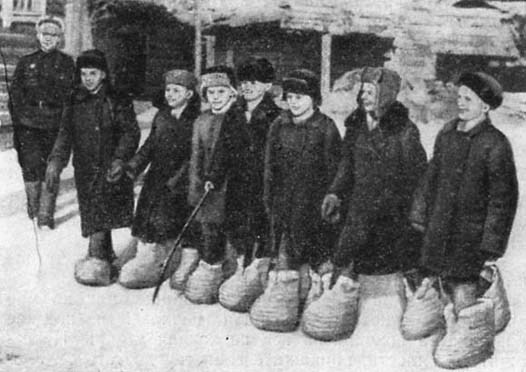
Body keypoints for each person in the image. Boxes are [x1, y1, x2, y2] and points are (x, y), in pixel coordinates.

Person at [304, 67, 427, 341]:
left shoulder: (405, 131)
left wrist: (416, 213)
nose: (364, 96)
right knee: (345, 252)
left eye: (370, 92)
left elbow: (419, 175)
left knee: (406, 263)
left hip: (393, 211)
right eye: (363, 91)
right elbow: (346, 165)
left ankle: (420, 304)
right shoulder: (356, 125)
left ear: (386, 95)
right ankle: (337, 303)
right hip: (359, 205)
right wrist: (335, 192)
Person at [409, 72, 518, 369]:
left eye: (468, 99)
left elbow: (503, 200)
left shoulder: (495, 144)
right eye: (459, 97)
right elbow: (432, 175)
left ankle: (472, 333)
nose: (461, 102)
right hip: (440, 224)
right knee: (437, 273)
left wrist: (491, 245)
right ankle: (449, 315)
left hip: (471, 232)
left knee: (462, 283)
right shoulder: (447, 133)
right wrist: (419, 209)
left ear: (485, 106)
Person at [249, 69, 341, 332]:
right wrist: (269, 198)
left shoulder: (325, 128)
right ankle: (286, 298)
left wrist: (331, 199)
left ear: (313, 98)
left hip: (314, 204)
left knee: (318, 252)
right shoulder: (279, 125)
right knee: (286, 249)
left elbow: (335, 169)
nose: (294, 102)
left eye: (300, 97)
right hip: (283, 202)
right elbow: (269, 166)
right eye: (289, 97)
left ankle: (320, 296)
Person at [45, 50, 140, 286]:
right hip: (85, 168)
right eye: (84, 73)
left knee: (102, 209)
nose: (87, 78)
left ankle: (97, 256)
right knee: (93, 210)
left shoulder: (117, 99)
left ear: (104, 74)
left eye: (93, 73)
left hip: (111, 167)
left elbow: (131, 132)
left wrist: (120, 158)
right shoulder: (75, 99)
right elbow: (65, 135)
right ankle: (103, 254)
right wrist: (56, 162)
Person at [118, 69, 201, 289]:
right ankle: (142, 244)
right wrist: (134, 167)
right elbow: (150, 146)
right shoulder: (162, 116)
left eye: (177, 90)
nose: (170, 94)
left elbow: (193, 157)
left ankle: (159, 253)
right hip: (157, 175)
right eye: (168, 90)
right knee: (146, 210)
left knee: (165, 216)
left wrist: (177, 181)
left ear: (189, 94)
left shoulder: (195, 120)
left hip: (179, 182)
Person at [218, 57, 282, 312]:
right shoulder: (234, 112)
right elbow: (222, 148)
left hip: (262, 182)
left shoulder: (275, 115)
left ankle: (258, 270)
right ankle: (241, 266)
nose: (247, 87)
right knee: (237, 222)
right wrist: (214, 174)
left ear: (267, 85)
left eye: (253, 82)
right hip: (237, 180)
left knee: (260, 224)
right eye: (243, 82)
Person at [184, 65, 251, 304]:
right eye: (210, 92)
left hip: (233, 188)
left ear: (232, 93)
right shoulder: (202, 121)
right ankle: (212, 268)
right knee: (209, 230)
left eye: (221, 92)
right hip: (209, 190)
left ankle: (242, 271)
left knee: (237, 231)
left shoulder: (239, 119)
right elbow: (196, 157)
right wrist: (196, 189)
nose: (215, 97)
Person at [10, 16, 75, 229]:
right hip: (28, 124)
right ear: (38, 36)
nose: (48, 39)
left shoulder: (67, 64)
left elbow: (72, 97)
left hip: (55, 124)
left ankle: (46, 216)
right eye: (45, 34)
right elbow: (15, 95)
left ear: (60, 38)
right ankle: (32, 210)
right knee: (30, 167)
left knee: (52, 169)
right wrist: (19, 120)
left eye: (53, 35)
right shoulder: (25, 62)